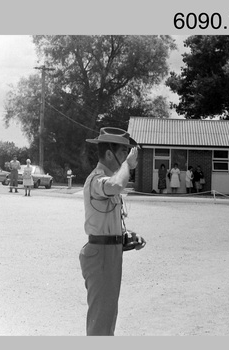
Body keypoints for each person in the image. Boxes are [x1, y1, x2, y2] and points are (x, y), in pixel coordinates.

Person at [80, 127, 146, 336]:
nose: (126, 158)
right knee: (100, 321)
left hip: (108, 252)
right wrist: (127, 165)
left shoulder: (106, 179)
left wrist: (124, 237)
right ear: (109, 154)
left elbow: (105, 221)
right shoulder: (98, 179)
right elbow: (117, 185)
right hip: (101, 255)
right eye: (122, 154)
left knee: (107, 318)